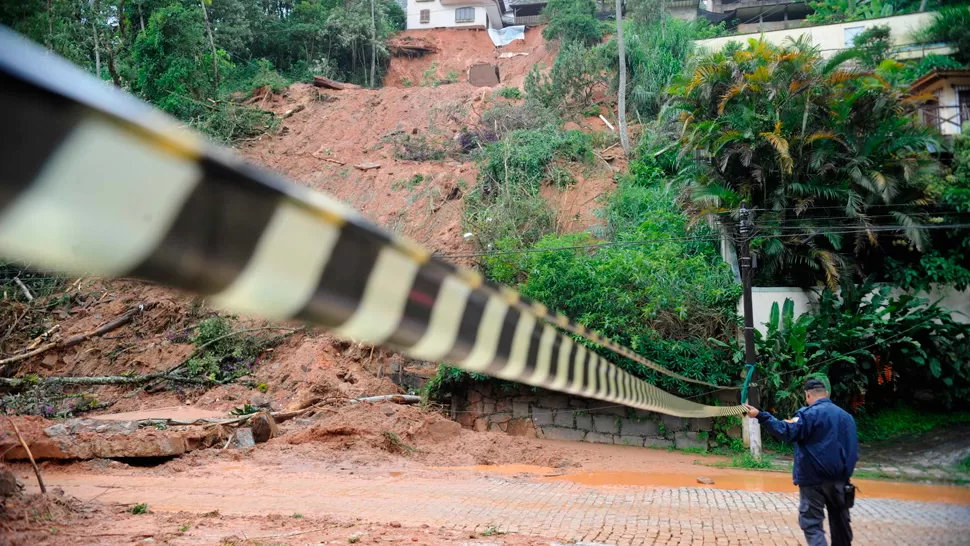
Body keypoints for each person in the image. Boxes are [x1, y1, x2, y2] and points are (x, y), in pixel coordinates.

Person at [744, 379, 858, 546]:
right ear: (826, 393)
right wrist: (845, 475)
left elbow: (787, 431)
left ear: (808, 394)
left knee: (812, 524)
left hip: (813, 481)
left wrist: (760, 415)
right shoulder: (846, 418)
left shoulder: (808, 415)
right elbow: (853, 451)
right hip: (839, 480)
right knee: (841, 525)